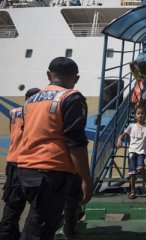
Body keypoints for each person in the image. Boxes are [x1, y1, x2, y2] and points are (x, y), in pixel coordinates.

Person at [16, 57, 92, 240]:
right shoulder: (71, 97)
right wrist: (86, 180)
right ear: (77, 78)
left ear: (49, 75)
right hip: (51, 173)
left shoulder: (30, 101)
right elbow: (76, 143)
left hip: (25, 170)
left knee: (35, 222)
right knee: (39, 231)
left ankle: (70, 225)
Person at [0, 88, 40, 240]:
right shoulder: (36, 113)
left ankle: (8, 233)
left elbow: (14, 133)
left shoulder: (13, 112)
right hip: (30, 162)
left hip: (13, 160)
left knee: (12, 204)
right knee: (37, 205)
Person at [116, 105, 146, 199]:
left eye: (142, 113)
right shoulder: (131, 126)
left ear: (145, 115)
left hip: (141, 151)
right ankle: (132, 190)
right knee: (132, 172)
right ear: (135, 116)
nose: (140, 115)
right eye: (138, 113)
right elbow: (122, 135)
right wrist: (119, 140)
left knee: (140, 166)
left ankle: (144, 181)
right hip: (132, 151)